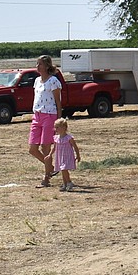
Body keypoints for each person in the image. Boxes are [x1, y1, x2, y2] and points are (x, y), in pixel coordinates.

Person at [29, 55, 63, 188]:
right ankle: (51, 167)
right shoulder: (37, 80)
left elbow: (58, 101)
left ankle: (46, 178)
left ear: (47, 66)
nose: (37, 66)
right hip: (37, 115)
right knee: (32, 148)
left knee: (45, 147)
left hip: (49, 115)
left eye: (40, 64)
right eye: (37, 64)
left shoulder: (53, 81)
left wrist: (59, 120)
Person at [52, 119, 81, 191]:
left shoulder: (69, 138)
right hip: (60, 156)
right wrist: (50, 155)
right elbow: (54, 147)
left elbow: (75, 146)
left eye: (58, 127)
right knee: (62, 170)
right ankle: (65, 184)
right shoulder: (56, 138)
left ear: (64, 127)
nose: (56, 129)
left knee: (64, 169)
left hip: (67, 156)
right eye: (55, 127)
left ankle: (69, 182)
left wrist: (78, 155)